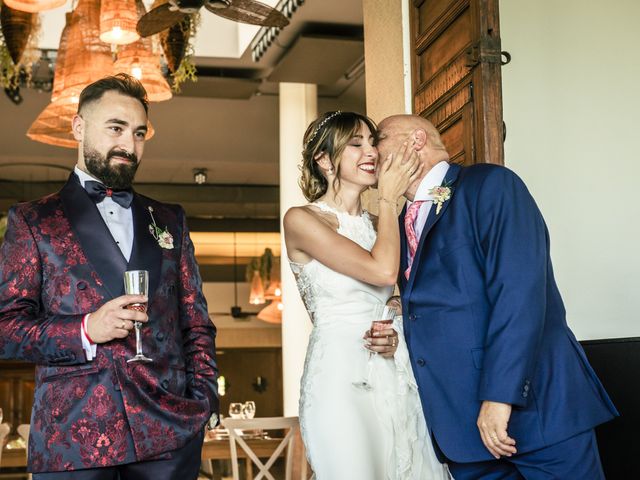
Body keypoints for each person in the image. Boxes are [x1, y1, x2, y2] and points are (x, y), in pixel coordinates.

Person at [0, 74, 219, 479]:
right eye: (115, 128)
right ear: (78, 127)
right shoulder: (33, 220)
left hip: (169, 437)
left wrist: (202, 403)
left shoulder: (170, 218)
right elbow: (7, 330)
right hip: (74, 438)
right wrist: (86, 328)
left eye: (139, 133)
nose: (128, 145)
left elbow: (196, 323)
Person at [376, 114, 618, 479]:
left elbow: (519, 295)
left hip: (536, 415)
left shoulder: (491, 185)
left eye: (378, 138)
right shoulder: (396, 224)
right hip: (461, 431)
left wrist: (499, 397)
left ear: (416, 140)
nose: (370, 150)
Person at [283, 111, 449, 479]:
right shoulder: (301, 220)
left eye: (372, 141)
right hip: (340, 378)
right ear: (324, 161)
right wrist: (389, 200)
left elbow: (410, 291)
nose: (371, 151)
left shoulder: (382, 224)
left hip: (394, 371)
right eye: (355, 144)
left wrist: (395, 318)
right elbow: (381, 271)